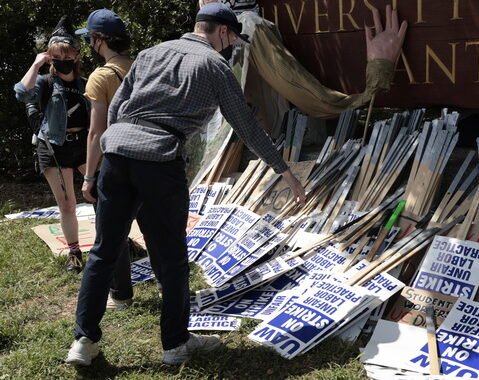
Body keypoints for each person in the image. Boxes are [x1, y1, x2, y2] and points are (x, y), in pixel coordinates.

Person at [65, 2, 306, 366]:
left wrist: (105, 156)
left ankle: (83, 342)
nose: (231, 47)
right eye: (232, 40)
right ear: (222, 32)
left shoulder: (149, 53)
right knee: (173, 258)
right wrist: (283, 169)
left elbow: (115, 110)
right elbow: (244, 122)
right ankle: (175, 345)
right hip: (160, 161)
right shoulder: (214, 65)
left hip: (116, 154)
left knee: (104, 251)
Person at [78, 9, 150, 311]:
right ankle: (166, 283)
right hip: (149, 157)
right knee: (153, 226)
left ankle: (121, 294)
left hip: (116, 161)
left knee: (112, 233)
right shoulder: (143, 67)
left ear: (100, 41)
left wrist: (89, 176)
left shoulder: (101, 76)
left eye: (91, 39)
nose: (90, 45)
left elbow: (96, 132)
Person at [14, 16, 91, 273]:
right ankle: (74, 252)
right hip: (54, 146)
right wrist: (37, 63)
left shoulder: (84, 83)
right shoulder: (45, 82)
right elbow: (21, 93)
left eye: (68, 56)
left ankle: (118, 241)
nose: (64, 61)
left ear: (77, 56)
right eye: (58, 56)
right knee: (67, 203)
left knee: (103, 194)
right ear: (51, 57)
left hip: (83, 144)